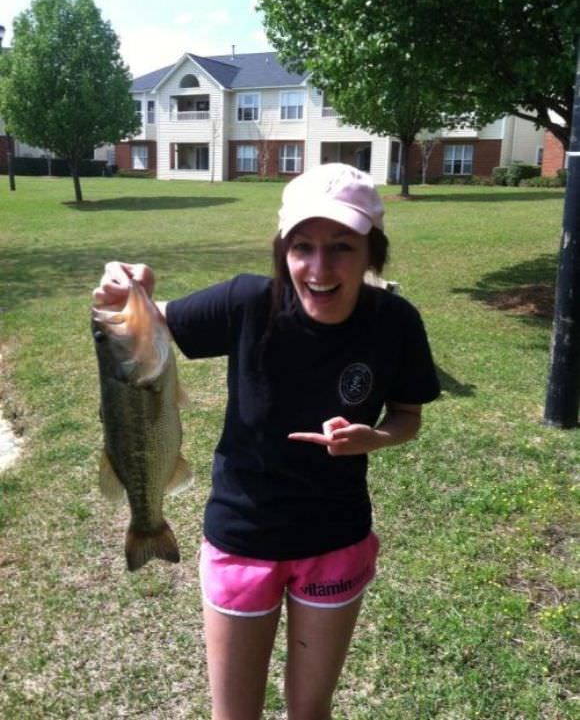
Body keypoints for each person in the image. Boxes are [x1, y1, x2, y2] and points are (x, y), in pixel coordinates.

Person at [93, 163, 440, 720]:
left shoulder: (395, 321)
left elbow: (408, 415)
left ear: (372, 252)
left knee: (310, 712)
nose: (319, 268)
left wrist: (372, 437)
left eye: (342, 247)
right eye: (302, 246)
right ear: (282, 251)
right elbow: (141, 328)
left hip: (334, 538)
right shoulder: (246, 301)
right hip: (242, 537)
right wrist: (130, 289)